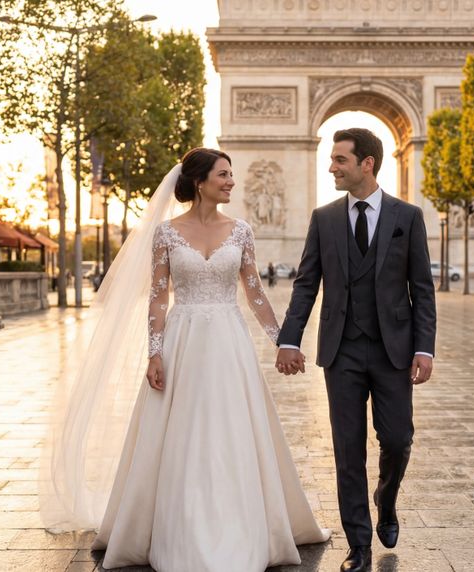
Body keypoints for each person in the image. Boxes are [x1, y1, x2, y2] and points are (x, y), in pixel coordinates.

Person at [40, 148, 329, 572]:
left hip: (229, 343)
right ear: (199, 181)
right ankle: (181, 524)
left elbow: (255, 293)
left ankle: (241, 522)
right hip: (183, 341)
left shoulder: (243, 231)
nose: (232, 181)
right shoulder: (166, 233)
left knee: (232, 430)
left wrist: (283, 341)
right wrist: (155, 353)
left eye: (231, 175)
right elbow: (158, 297)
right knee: (182, 430)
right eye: (224, 174)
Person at [275, 128, 437, 572]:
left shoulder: (409, 216)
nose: (331, 167)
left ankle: (386, 499)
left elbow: (422, 288)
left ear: (367, 163)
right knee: (348, 449)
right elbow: (307, 283)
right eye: (330, 159)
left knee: (399, 439)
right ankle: (359, 544)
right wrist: (289, 338)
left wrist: (426, 349)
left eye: (340, 160)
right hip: (341, 351)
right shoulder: (324, 218)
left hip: (394, 351)